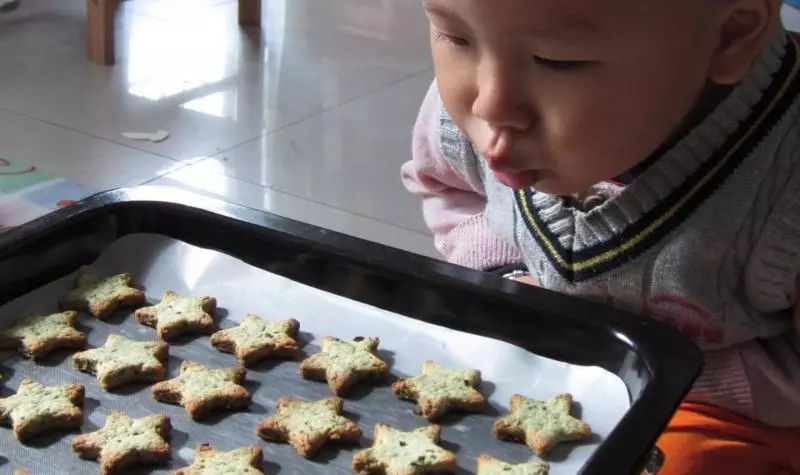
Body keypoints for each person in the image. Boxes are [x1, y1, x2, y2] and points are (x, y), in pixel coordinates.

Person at [402, 0, 800, 473]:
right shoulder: (471, 111)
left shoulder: (783, 188)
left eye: (557, 60)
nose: (489, 105)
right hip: (542, 351)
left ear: (730, 36)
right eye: (455, 37)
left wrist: (647, 366)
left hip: (724, 401)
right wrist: (501, 280)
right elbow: (449, 190)